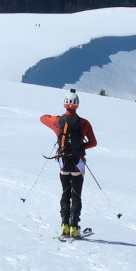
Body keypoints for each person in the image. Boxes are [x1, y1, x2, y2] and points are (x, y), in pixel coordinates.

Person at [40, 91, 97, 237]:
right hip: (77, 164)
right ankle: (74, 227)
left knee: (65, 193)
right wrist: (79, 148)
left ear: (64, 103)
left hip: (63, 163)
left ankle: (64, 225)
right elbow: (93, 142)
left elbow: (42, 118)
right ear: (77, 105)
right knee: (76, 195)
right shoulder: (84, 123)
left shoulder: (57, 121)